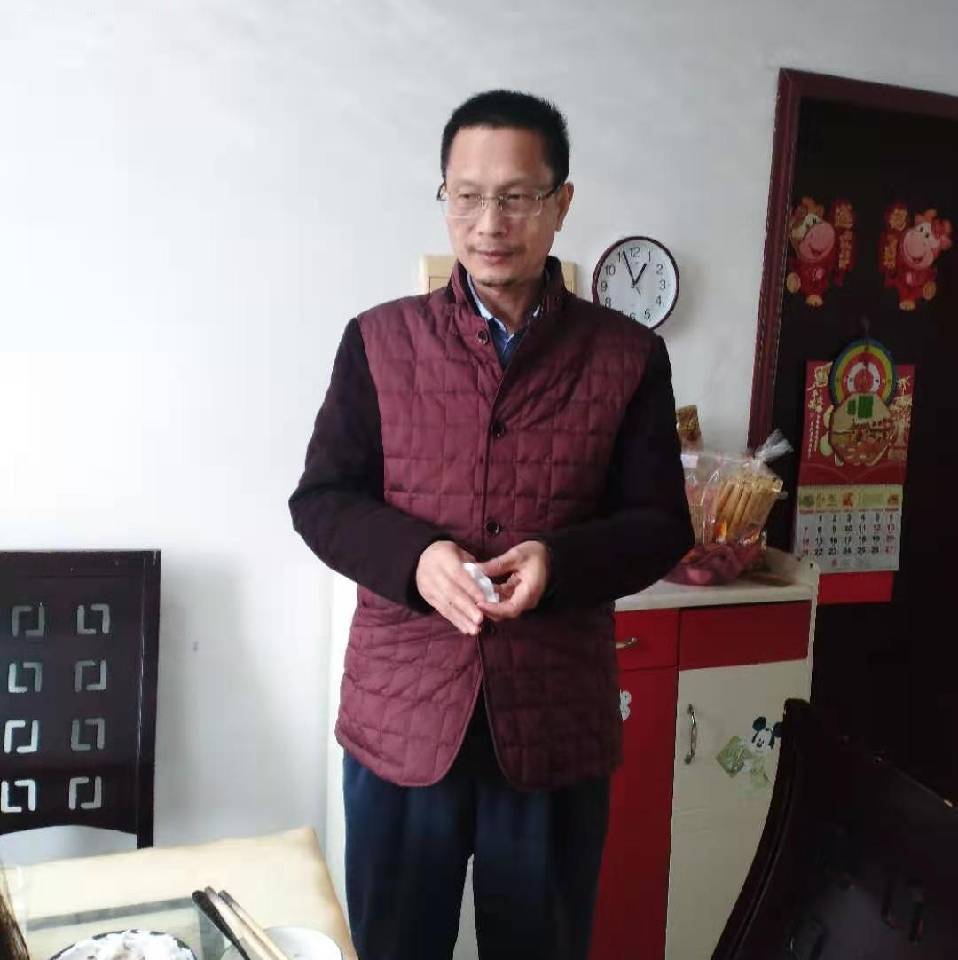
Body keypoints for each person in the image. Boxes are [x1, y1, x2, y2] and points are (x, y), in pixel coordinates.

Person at [289, 89, 693, 960]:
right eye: (466, 196)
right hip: (404, 722)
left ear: (561, 203)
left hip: (553, 725)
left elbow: (662, 524)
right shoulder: (378, 341)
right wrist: (416, 558)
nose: (488, 224)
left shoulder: (627, 357)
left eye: (515, 197)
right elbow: (321, 499)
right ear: (445, 197)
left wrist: (559, 562)